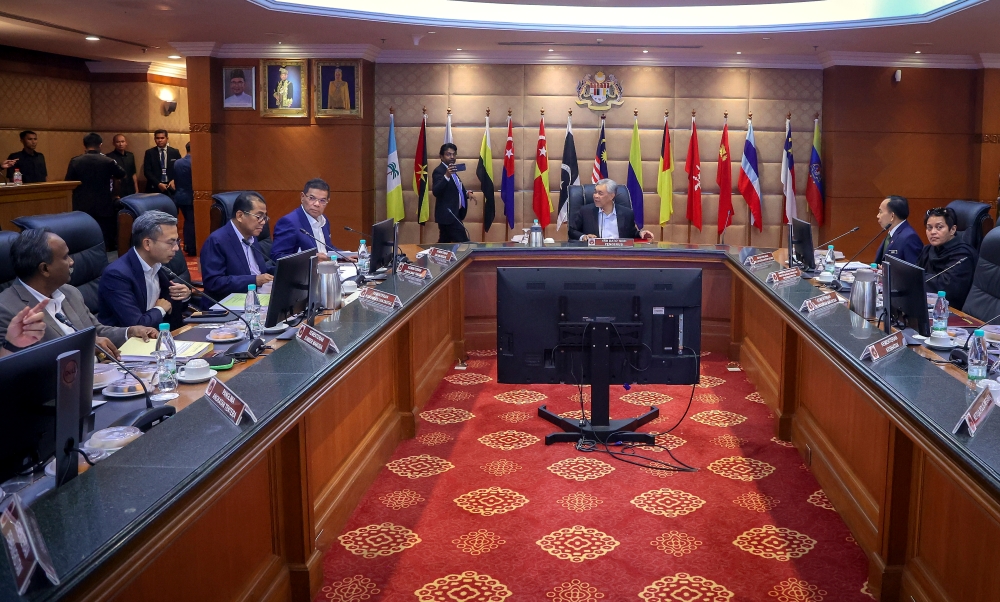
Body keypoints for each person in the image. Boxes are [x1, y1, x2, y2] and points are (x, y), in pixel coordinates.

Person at [0, 229, 157, 359]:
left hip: (101, 377)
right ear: (44, 269)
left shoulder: (69, 292)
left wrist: (129, 332)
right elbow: (24, 363)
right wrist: (84, 347)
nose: (71, 262)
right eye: (65, 257)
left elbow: (96, 331)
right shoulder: (7, 309)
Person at [98, 211, 191, 330]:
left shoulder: (159, 265)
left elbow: (171, 308)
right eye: (170, 242)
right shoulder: (117, 275)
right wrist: (160, 309)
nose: (176, 248)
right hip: (126, 345)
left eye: (177, 241)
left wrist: (183, 296)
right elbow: (136, 325)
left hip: (160, 336)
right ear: (147, 244)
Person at [200, 191, 275, 307]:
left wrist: (280, 270)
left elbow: (256, 270)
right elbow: (213, 282)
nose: (263, 222)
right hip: (226, 307)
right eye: (259, 217)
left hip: (256, 300)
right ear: (240, 215)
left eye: (265, 217)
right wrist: (254, 280)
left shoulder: (252, 238)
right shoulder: (217, 241)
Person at [65, 133, 127, 251]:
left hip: (81, 204)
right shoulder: (108, 161)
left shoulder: (75, 161)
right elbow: (122, 174)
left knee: (83, 235)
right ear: (100, 145)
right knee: (103, 236)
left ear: (84, 144)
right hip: (103, 203)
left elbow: (68, 182)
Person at [918, 207, 978, 311]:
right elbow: (915, 272)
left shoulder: (963, 255)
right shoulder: (927, 250)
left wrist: (917, 278)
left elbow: (946, 287)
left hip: (951, 311)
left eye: (939, 227)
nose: (933, 232)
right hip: (926, 305)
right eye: (929, 228)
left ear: (953, 230)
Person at [271, 178, 340, 261]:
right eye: (312, 198)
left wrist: (345, 256)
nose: (317, 204)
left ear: (327, 201)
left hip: (325, 270)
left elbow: (327, 248)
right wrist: (311, 259)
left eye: (322, 200)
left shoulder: (324, 220)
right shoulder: (289, 222)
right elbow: (277, 256)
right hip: (304, 272)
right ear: (302, 197)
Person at [568, 179, 654, 242]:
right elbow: (572, 231)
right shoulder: (585, 211)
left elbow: (631, 233)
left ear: (611, 196)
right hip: (594, 255)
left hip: (620, 255)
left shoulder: (626, 213)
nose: (595, 196)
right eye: (595, 192)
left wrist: (641, 234)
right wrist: (584, 236)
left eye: (600, 193)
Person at [432, 143, 473, 243]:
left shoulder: (452, 170)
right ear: (441, 156)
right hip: (448, 215)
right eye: (448, 154)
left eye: (454, 154)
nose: (452, 157)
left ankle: (433, 257)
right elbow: (436, 191)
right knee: (465, 244)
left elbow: (454, 190)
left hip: (453, 214)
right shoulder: (439, 171)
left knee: (444, 243)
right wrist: (446, 175)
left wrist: (467, 194)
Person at [875, 195, 923, 265]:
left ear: (892, 216)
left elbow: (915, 271)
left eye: (880, 212)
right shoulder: (891, 234)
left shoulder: (910, 237)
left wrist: (890, 272)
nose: (878, 216)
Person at [173, 142, 195, 256]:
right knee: (191, 222)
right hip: (191, 197)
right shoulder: (195, 163)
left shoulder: (177, 162)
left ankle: (187, 245)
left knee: (188, 221)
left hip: (179, 196)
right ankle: (191, 246)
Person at [142, 130, 181, 194]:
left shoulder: (175, 152)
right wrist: (158, 184)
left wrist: (174, 180)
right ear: (154, 139)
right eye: (157, 138)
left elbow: (179, 169)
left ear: (167, 139)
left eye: (162, 138)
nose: (160, 140)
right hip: (154, 187)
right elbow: (147, 172)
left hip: (171, 187)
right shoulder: (149, 153)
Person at [107, 134, 139, 199]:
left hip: (130, 189)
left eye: (122, 142)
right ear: (114, 143)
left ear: (126, 143)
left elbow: (133, 173)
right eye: (118, 142)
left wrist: (137, 189)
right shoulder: (109, 157)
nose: (121, 144)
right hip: (118, 191)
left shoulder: (130, 156)